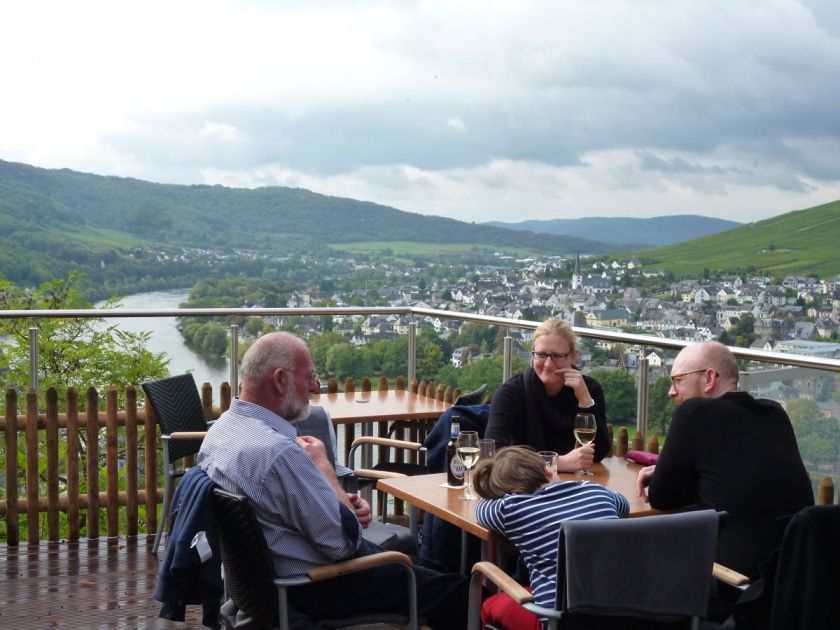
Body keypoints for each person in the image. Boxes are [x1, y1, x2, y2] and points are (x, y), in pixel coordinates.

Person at [198, 332, 467, 629]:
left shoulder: (221, 432)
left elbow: (291, 512)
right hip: (314, 587)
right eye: (309, 377)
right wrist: (324, 467)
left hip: (262, 588)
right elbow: (343, 543)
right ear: (279, 380)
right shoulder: (277, 453)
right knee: (458, 593)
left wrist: (341, 504)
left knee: (433, 569)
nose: (315, 387)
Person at [636, 341, 814, 615]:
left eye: (678, 380)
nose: (672, 392)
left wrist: (666, 475)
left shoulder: (694, 413)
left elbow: (661, 496)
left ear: (708, 378)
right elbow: (735, 476)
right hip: (794, 585)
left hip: (734, 587)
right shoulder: (774, 412)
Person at [474, 446, 630, 630]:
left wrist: (497, 494)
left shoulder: (511, 509)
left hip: (559, 621)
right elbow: (624, 506)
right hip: (623, 614)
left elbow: (481, 510)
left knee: (489, 606)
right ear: (548, 470)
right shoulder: (595, 490)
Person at [486, 318, 610, 473]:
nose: (548, 364)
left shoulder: (589, 389)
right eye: (541, 354)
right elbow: (495, 455)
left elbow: (598, 454)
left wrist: (585, 401)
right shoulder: (510, 394)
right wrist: (558, 463)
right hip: (524, 488)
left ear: (573, 357)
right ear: (533, 355)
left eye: (557, 356)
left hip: (573, 487)